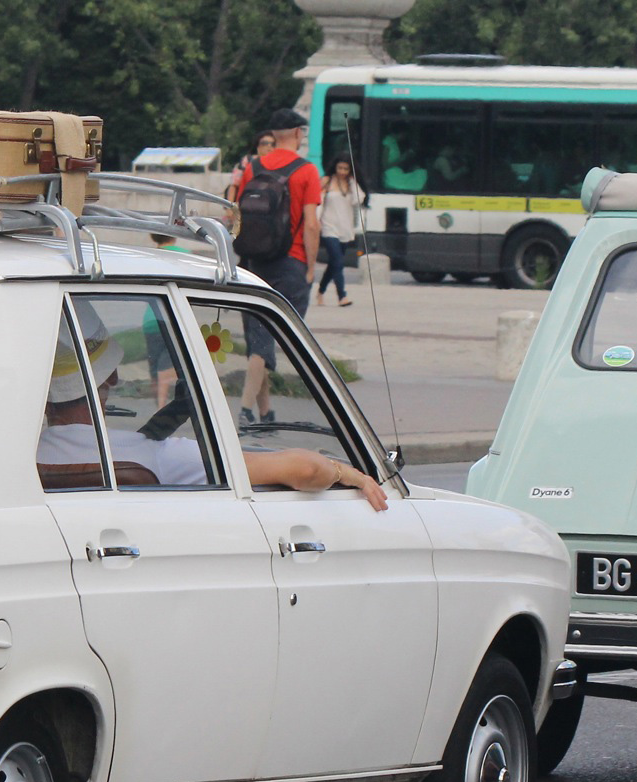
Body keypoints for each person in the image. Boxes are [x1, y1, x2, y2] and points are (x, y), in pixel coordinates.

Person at [37, 325, 387, 510]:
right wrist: (344, 472)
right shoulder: (162, 456)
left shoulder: (20, 458)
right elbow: (306, 470)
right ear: (111, 378)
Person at [231, 107, 322, 426]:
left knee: (259, 336)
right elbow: (311, 224)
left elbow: (237, 215)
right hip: (290, 262)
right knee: (267, 340)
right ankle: (244, 410)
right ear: (298, 134)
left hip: (254, 261)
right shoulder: (307, 171)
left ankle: (266, 412)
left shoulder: (252, 167)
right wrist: (310, 268)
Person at [318, 157, 365, 306]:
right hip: (328, 226)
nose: (342, 172)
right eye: (340, 168)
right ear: (335, 167)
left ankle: (320, 291)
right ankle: (342, 296)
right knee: (338, 261)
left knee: (334, 264)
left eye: (346, 169)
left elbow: (359, 200)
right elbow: (318, 202)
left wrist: (352, 182)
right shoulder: (326, 181)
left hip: (345, 227)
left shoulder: (351, 184)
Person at [223, 132, 276, 201]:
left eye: (273, 144)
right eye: (265, 143)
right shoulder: (247, 161)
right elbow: (234, 185)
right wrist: (230, 208)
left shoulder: (278, 163)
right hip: (246, 203)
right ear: (258, 146)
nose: (269, 146)